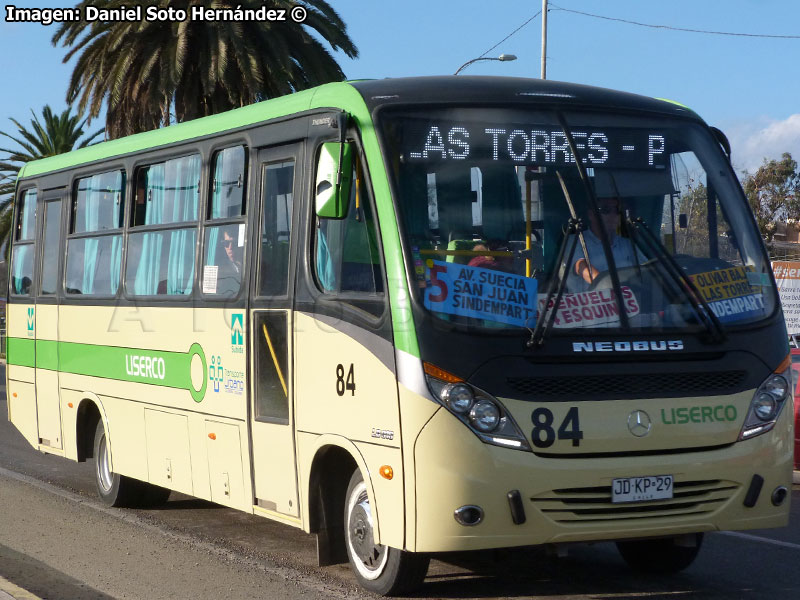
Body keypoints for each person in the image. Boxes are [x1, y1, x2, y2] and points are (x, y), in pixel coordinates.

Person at [567, 196, 637, 292]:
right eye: (606, 210)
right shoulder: (576, 241)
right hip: (590, 305)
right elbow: (582, 267)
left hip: (625, 302)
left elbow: (646, 269)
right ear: (591, 214)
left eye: (617, 210)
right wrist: (614, 289)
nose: (613, 215)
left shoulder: (627, 244)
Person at [216, 227, 243, 295]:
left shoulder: (254, 264)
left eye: (234, 243)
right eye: (226, 243)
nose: (230, 247)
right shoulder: (220, 270)